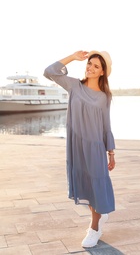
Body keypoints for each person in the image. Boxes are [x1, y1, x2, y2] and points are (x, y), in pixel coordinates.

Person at [44, 50, 116, 248]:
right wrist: (72, 57)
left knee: (96, 186)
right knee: (86, 185)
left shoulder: (104, 97)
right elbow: (49, 71)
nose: (90, 68)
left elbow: (105, 126)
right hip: (76, 146)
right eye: (89, 64)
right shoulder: (74, 85)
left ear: (102, 72)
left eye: (96, 66)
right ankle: (99, 217)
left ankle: (94, 228)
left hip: (95, 148)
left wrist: (111, 152)